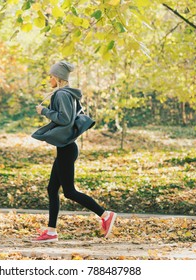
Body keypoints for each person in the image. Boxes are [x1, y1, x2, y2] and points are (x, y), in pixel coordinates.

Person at [31, 61, 117, 243]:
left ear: (57, 77)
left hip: (67, 149)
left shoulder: (62, 94)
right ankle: (51, 232)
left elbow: (65, 119)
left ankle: (105, 214)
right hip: (66, 148)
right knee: (52, 188)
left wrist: (44, 111)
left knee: (69, 191)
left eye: (50, 76)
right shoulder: (65, 93)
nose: (49, 79)